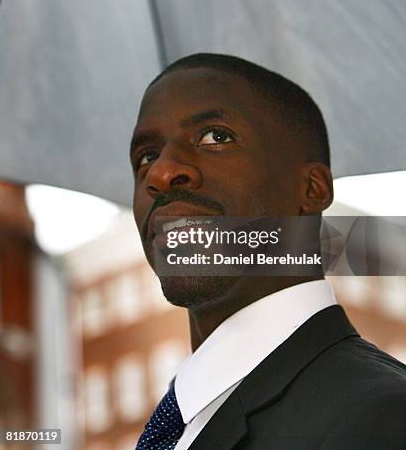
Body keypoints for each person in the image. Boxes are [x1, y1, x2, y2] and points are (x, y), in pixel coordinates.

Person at [130, 53, 406, 449]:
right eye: (145, 157)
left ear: (312, 190)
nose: (160, 172)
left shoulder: (381, 417)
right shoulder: (179, 422)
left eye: (216, 136)